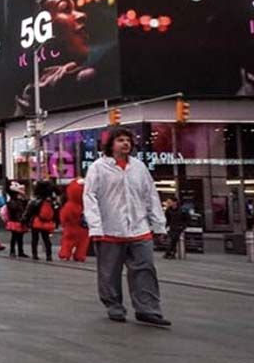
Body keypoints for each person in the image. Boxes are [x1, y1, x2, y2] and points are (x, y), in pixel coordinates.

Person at [83, 127, 170, 326]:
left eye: (128, 140)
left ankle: (148, 309)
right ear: (111, 144)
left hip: (140, 229)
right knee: (109, 272)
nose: (126, 144)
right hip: (110, 229)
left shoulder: (139, 167)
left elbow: (151, 196)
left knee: (145, 269)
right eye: (120, 140)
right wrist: (95, 227)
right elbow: (90, 197)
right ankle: (114, 305)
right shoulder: (98, 167)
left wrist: (159, 225)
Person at [24, 180, 58, 262]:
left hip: (36, 221)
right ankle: (49, 256)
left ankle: (35, 254)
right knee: (46, 239)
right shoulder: (50, 201)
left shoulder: (35, 201)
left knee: (35, 239)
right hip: (46, 223)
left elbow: (29, 212)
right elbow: (55, 212)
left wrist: (25, 220)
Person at [58, 178, 89, 262]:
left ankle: (65, 254)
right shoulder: (86, 205)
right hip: (83, 228)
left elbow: (64, 216)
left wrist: (63, 223)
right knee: (83, 243)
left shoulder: (69, 205)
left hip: (70, 227)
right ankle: (80, 256)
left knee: (67, 241)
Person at [4, 182, 29, 258]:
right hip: (15, 221)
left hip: (17, 220)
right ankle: (13, 251)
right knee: (15, 237)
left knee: (18, 237)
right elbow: (15, 209)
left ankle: (19, 251)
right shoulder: (13, 202)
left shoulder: (16, 201)